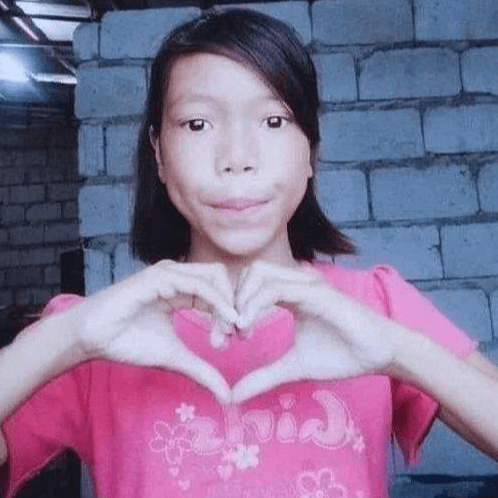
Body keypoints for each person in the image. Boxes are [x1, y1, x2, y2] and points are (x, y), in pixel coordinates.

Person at [1, 8, 498, 498]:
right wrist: (72, 336)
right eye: (197, 124)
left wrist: (398, 352)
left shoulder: (375, 305)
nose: (237, 159)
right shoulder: (96, 334)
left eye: (274, 121)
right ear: (159, 154)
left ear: (310, 150)